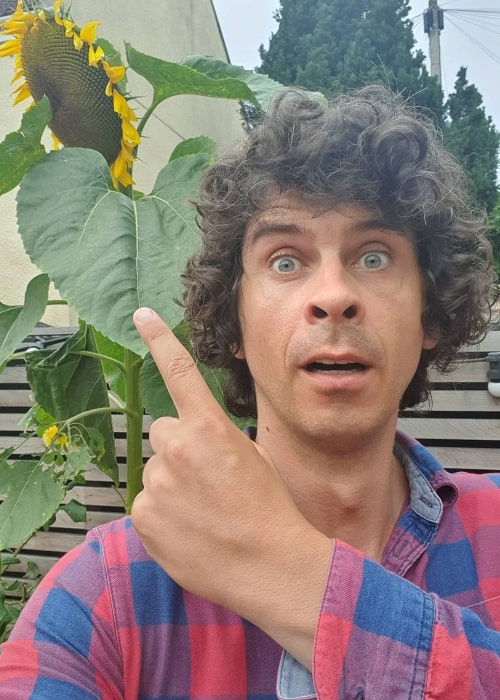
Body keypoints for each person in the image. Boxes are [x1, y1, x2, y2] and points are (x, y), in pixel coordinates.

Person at [0, 86, 499, 699]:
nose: (334, 294)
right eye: (285, 261)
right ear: (233, 324)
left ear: (429, 313)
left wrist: (289, 572)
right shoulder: (104, 595)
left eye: (373, 257)